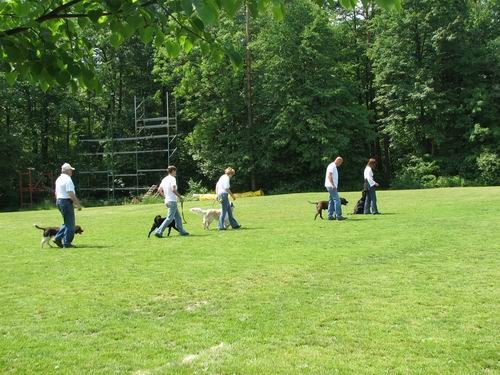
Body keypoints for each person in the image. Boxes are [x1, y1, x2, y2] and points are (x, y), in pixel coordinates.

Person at [154, 165, 189, 237]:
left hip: (167, 201)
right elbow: (173, 190)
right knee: (169, 218)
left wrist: (165, 196)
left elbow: (159, 190)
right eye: (175, 171)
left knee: (178, 218)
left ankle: (182, 231)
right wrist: (180, 197)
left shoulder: (164, 179)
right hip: (172, 201)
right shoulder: (173, 179)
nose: (176, 172)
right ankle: (159, 231)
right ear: (173, 171)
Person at [53, 163, 82, 248]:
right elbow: (70, 193)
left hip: (59, 201)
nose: (72, 172)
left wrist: (59, 201)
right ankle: (67, 243)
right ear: (67, 170)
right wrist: (78, 204)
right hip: (66, 202)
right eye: (71, 170)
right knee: (71, 225)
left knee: (66, 223)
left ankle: (57, 238)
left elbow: (56, 192)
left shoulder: (58, 179)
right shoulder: (68, 179)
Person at [324, 156, 346, 221]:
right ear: (338, 161)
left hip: (330, 185)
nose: (340, 164)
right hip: (331, 186)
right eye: (341, 163)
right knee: (337, 200)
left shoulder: (333, 166)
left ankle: (330, 216)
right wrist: (333, 185)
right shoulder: (332, 166)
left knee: (331, 201)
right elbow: (329, 176)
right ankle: (339, 216)